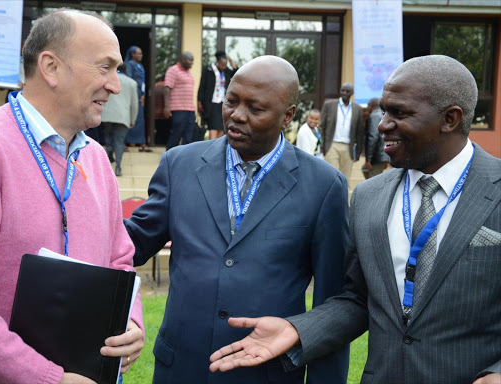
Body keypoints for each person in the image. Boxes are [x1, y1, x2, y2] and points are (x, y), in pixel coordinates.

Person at [209, 55, 501, 384]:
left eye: (399, 113)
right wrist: (297, 329)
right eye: (384, 110)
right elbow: (357, 298)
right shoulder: (368, 197)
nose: (382, 124)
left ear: (450, 119)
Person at [125, 55, 350, 384]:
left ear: (288, 116)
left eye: (255, 109)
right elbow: (127, 245)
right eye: (231, 101)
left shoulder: (324, 185)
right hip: (181, 369)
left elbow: (332, 305)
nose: (236, 116)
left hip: (266, 373)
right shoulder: (179, 165)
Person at [0, 10, 144, 384]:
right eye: (104, 67)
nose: (116, 86)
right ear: (51, 67)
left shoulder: (95, 157)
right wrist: (47, 378)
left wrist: (131, 320)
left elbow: (119, 257)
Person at [319, 82, 363, 182]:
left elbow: (360, 132)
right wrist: (322, 145)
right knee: (331, 175)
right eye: (342, 90)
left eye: (347, 91)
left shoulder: (358, 109)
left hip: (349, 147)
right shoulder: (329, 105)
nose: (344, 93)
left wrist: (359, 151)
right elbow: (321, 126)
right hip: (332, 145)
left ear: (352, 93)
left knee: (345, 178)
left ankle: (343, 197)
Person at [102, 64, 139, 176]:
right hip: (123, 117)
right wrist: (133, 120)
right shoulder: (132, 83)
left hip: (107, 115)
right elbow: (134, 104)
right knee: (119, 142)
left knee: (108, 136)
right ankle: (118, 167)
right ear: (126, 70)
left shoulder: (106, 80)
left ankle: (109, 152)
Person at [198, 50, 238, 140]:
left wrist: (231, 62)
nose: (223, 67)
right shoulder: (208, 70)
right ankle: (212, 147)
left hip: (223, 102)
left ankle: (217, 147)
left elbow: (236, 73)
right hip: (211, 103)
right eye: (222, 65)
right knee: (213, 126)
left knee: (221, 127)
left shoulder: (226, 71)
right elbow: (202, 86)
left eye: (225, 65)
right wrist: (199, 102)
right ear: (217, 62)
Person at [164, 51, 196, 149]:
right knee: (176, 135)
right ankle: (168, 157)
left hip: (190, 109)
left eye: (193, 60)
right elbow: (167, 89)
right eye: (190, 60)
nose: (192, 63)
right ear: (183, 59)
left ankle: (184, 160)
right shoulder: (173, 70)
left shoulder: (188, 72)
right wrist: (167, 107)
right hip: (179, 109)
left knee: (188, 137)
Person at [124, 45, 151, 152]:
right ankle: (127, 142)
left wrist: (143, 95)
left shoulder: (140, 66)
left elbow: (143, 82)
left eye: (141, 53)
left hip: (140, 95)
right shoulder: (129, 65)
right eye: (138, 53)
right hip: (132, 95)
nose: (140, 55)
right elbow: (129, 81)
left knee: (139, 119)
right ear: (132, 54)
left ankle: (140, 142)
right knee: (131, 118)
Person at [363, 98, 389, 178]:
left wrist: (368, 159)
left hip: (377, 155)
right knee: (364, 169)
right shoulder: (384, 115)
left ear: (371, 106)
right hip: (383, 154)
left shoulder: (374, 116)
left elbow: (373, 137)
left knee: (372, 178)